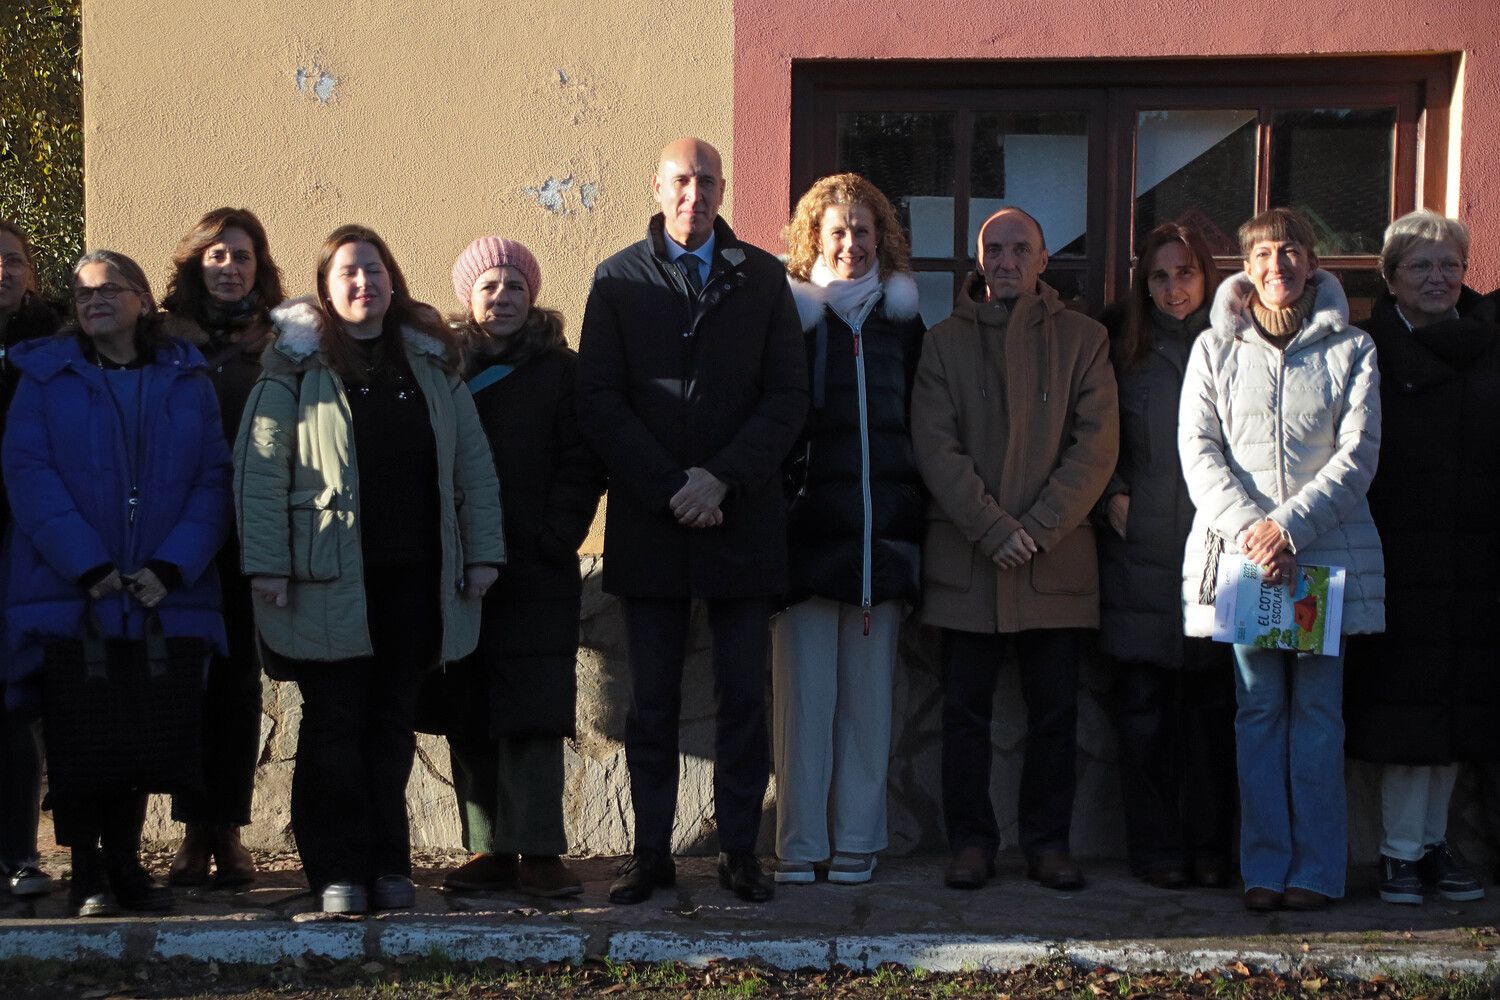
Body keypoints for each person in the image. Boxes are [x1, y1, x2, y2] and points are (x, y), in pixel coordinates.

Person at [234, 225, 503, 915]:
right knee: (332, 728)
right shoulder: (292, 368)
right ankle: (335, 871)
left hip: (414, 582)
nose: (363, 283)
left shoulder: (431, 365)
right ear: (325, 289)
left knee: (390, 728)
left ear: (393, 282)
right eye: (348, 273)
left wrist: (480, 555)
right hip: (324, 581)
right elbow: (259, 474)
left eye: (374, 271)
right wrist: (266, 565)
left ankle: (389, 866)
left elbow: (472, 466)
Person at [578, 137, 808, 905]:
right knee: (653, 705)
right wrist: (671, 484)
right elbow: (600, 402)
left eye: (707, 180)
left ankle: (741, 853)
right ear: (657, 186)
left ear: (721, 189)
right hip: (652, 520)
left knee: (745, 699)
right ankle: (650, 854)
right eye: (682, 180)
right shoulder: (616, 280)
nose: (695, 193)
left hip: (741, 520)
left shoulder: (765, 279)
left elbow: (787, 399)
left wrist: (720, 480)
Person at [4, 250, 232, 916]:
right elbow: (30, 474)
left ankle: (128, 862)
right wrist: (88, 566)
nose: (93, 299)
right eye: (81, 291)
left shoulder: (186, 378)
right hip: (71, 588)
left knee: (140, 726)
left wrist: (170, 566)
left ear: (141, 300)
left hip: (162, 590)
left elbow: (211, 479)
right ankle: (87, 871)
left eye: (109, 288)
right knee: (80, 731)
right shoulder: (43, 377)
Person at [1178, 207, 1384, 913]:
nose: (1278, 265)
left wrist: (1287, 530)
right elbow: (1198, 451)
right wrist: (1251, 533)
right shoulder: (1214, 349)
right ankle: (1263, 869)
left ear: (1314, 261)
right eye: (1264, 252)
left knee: (1319, 717)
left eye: (1291, 250)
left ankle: (1318, 872)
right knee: (1258, 711)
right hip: (1245, 564)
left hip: (1320, 562)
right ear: (1246, 266)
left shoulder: (1354, 347)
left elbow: (1358, 456)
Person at [911, 206, 1118, 892]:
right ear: (978, 262)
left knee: (1055, 714)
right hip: (969, 564)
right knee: (964, 713)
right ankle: (971, 844)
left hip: (1055, 565)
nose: (1004, 261)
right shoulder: (942, 343)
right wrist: (994, 529)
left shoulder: (1085, 340)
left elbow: (1096, 446)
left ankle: (1048, 844)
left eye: (1017, 249)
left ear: (1043, 257)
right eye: (992, 250)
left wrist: (1041, 526)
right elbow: (935, 447)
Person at [427, 236, 605, 898]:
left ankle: (538, 850)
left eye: (515, 287)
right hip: (458, 563)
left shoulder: (563, 370)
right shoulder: (442, 370)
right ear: (467, 298)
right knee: (468, 707)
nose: (502, 298)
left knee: (534, 708)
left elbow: (583, 459)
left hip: (535, 563)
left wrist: (555, 535)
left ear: (533, 297)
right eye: (489, 287)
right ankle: (487, 850)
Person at [772, 173, 924, 886]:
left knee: (868, 708)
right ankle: (801, 845)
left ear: (881, 237)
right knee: (804, 705)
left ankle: (859, 839)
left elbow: (925, 427)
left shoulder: (903, 324)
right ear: (813, 239)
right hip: (807, 541)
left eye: (864, 230)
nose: (852, 243)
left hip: (881, 544)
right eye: (837, 230)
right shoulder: (792, 323)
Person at [1344, 209, 1495, 905]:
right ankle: (1400, 853)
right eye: (1421, 266)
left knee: (1456, 709)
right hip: (1394, 554)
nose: (1438, 279)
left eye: (1450, 266)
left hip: (1474, 559)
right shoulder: (1367, 348)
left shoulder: (1488, 342)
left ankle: (1435, 847)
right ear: (1391, 278)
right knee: (1405, 711)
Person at [1097, 223, 1236, 890]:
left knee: (1214, 715)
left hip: (1220, 552)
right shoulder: (1121, 348)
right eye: (1158, 276)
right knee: (1145, 713)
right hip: (1141, 552)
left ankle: (1212, 847)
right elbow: (1090, 434)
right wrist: (1113, 497)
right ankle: (1154, 849)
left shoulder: (1237, 345)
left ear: (1206, 277)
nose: (1172, 287)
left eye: (1184, 273)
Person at [159, 207, 286, 889]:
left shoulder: (282, 341)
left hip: (247, 536)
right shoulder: (162, 340)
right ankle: (190, 832)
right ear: (194, 264)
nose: (231, 268)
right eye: (217, 256)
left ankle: (228, 832)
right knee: (185, 684)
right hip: (174, 538)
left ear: (259, 266)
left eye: (242, 256)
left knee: (237, 687)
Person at [0, 220, 61, 901]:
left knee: (14, 702)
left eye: (13, 260)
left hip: (28, 541)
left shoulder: (54, 345)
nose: (2, 270)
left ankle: (19, 852)